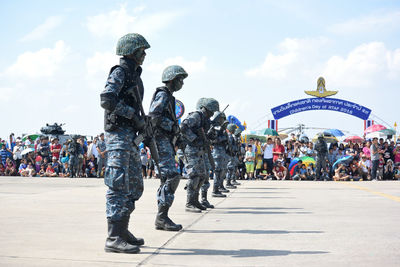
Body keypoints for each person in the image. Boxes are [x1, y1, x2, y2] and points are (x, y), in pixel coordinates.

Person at [100, 33, 150, 254]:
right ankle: (113, 237)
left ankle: (123, 230)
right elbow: (107, 99)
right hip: (118, 135)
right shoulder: (120, 72)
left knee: (135, 186)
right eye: (141, 50)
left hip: (129, 136)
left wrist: (142, 123)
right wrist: (132, 115)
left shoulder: (135, 75)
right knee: (118, 185)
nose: (144, 54)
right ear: (131, 51)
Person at [149, 65, 188, 231]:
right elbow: (153, 116)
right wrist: (171, 126)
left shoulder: (169, 97)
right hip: (160, 140)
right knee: (172, 176)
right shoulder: (163, 95)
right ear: (172, 80)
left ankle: (162, 216)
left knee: (168, 178)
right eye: (180, 80)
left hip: (165, 141)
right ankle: (162, 217)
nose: (182, 84)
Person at [180, 98, 219, 212]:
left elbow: (208, 136)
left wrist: (211, 135)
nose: (212, 114)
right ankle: (189, 203)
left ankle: (195, 200)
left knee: (203, 175)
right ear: (206, 109)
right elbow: (183, 127)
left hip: (199, 150)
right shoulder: (196, 116)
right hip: (190, 149)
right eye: (211, 111)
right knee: (195, 175)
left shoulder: (206, 120)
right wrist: (195, 139)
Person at [209, 111, 231, 198]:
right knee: (218, 171)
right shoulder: (215, 128)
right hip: (217, 153)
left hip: (222, 152)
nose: (223, 120)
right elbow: (213, 140)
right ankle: (215, 190)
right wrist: (223, 137)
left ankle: (218, 188)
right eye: (222, 118)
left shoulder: (221, 129)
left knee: (222, 171)